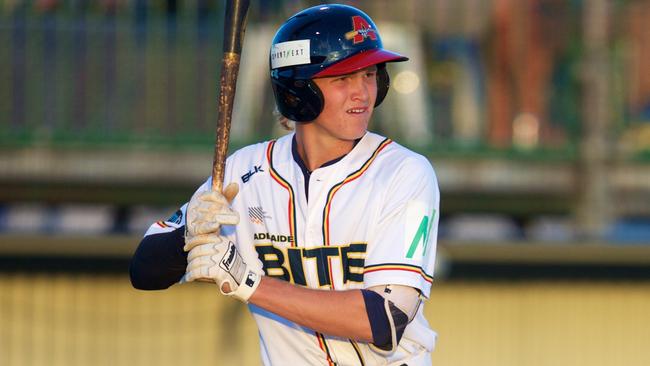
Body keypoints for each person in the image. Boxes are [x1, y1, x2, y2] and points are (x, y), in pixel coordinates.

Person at [130, 4, 440, 365]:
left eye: (369, 74)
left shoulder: (405, 172)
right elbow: (144, 271)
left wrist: (249, 283)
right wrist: (189, 237)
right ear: (298, 90)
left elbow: (385, 318)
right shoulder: (245, 172)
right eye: (343, 79)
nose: (363, 93)